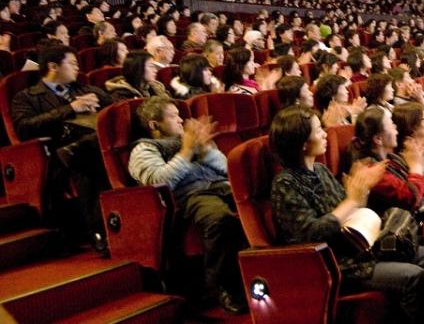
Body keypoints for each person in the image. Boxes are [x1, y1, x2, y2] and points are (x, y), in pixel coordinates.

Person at [269, 106, 424, 324]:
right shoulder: (285, 184)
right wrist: (352, 199)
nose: (325, 133)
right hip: (339, 263)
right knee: (414, 277)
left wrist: (361, 191)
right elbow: (312, 233)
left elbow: (352, 208)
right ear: (303, 143)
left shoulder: (321, 170)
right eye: (318, 130)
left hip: (361, 244)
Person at [128, 97, 247, 314]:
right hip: (190, 196)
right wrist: (186, 152)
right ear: (154, 125)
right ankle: (222, 286)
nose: (181, 120)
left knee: (260, 205)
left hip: (221, 185)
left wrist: (205, 150)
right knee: (221, 219)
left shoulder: (191, 140)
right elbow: (158, 182)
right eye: (173, 116)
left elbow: (226, 168)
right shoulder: (144, 149)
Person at [11, 44, 113, 244]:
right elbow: (24, 128)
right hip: (58, 154)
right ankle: (100, 231)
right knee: (85, 163)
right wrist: (69, 108)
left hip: (96, 146)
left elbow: (115, 114)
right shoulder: (26, 97)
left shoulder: (86, 89)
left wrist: (101, 105)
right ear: (53, 66)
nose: (77, 68)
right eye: (72, 63)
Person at [350, 106, 424, 214]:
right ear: (378, 139)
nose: (396, 128)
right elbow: (410, 198)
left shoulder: (391, 158)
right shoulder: (372, 170)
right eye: (391, 125)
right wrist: (416, 167)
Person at [105, 50, 170, 101]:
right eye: (151, 66)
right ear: (138, 68)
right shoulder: (120, 95)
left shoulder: (155, 88)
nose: (155, 70)